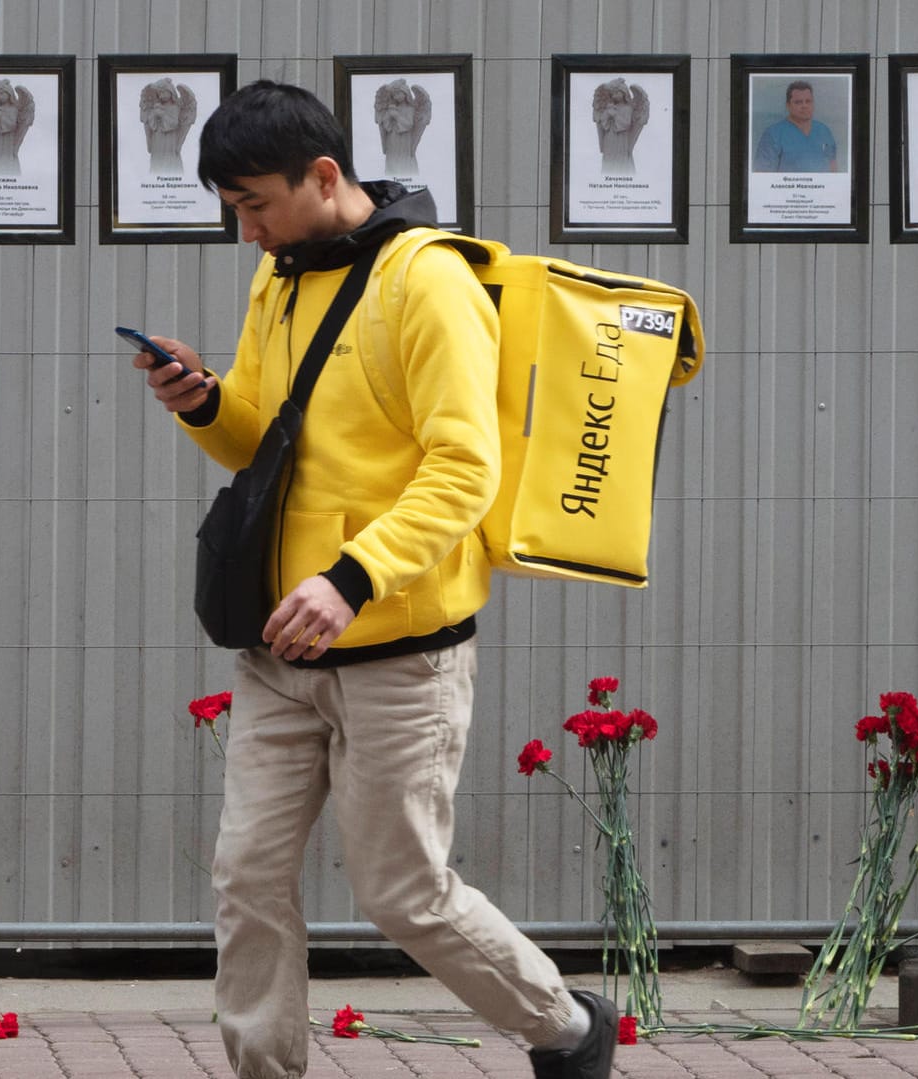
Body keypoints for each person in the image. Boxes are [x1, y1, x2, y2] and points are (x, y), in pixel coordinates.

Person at [129, 80, 617, 1079]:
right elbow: (263, 438)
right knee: (247, 876)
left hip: (402, 657)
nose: (247, 229)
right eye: (232, 208)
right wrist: (202, 400)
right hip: (280, 648)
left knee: (405, 892)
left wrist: (353, 577)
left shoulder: (425, 282)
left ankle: (567, 1026)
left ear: (324, 175)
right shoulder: (280, 277)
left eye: (257, 204)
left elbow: (464, 467)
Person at [752, 80, 837, 172]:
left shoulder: (824, 131)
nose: (804, 106)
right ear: (788, 105)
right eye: (798, 102)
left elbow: (832, 167)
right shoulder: (773, 135)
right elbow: (762, 175)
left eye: (808, 101)